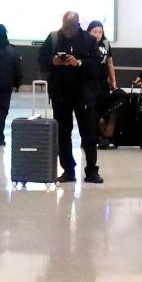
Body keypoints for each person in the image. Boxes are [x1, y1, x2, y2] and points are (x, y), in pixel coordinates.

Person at [39, 12, 103, 183]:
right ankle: (68, 170)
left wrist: (79, 63)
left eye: (70, 27)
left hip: (84, 95)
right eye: (65, 26)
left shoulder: (89, 41)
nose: (67, 30)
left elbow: (97, 65)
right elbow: (41, 58)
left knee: (88, 134)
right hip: (60, 94)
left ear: (78, 25)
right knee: (62, 134)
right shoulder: (53, 38)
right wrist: (52, 61)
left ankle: (91, 170)